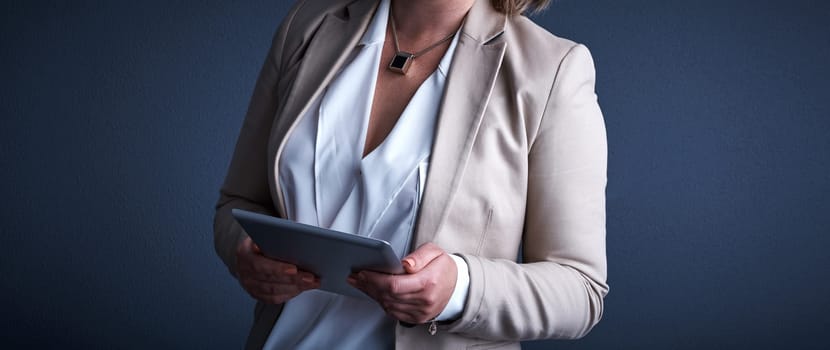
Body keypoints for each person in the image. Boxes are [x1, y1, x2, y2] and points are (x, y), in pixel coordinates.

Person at [214, 0, 608, 348]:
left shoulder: (551, 69)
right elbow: (238, 203)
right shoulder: (308, 24)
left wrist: (461, 288)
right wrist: (244, 251)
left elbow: (580, 289)